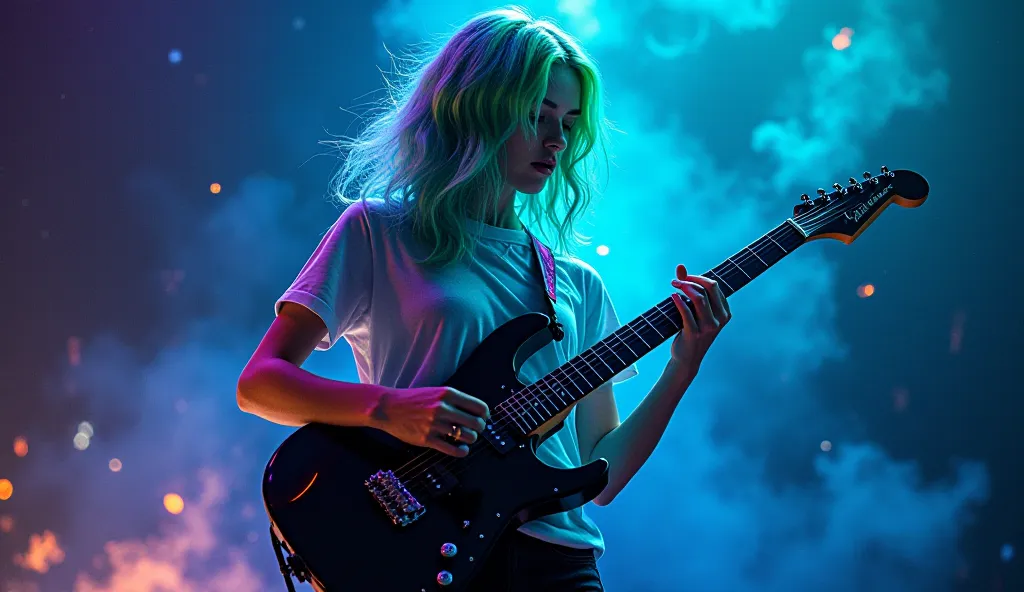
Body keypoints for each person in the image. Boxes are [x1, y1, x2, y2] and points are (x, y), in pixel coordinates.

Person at [236, 6, 731, 591]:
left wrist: (681, 367)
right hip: (420, 551)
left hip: (560, 568)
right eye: (537, 115)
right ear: (478, 106)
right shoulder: (378, 232)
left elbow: (603, 470)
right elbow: (260, 383)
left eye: (569, 122)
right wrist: (389, 409)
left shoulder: (576, 285)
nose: (557, 140)